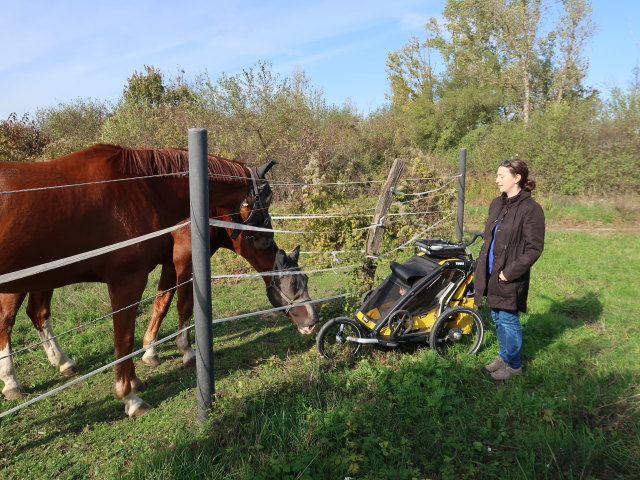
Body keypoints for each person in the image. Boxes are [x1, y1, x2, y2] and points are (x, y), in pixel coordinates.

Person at [474, 158, 545, 381]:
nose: (497, 180)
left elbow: (534, 248)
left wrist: (509, 272)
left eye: (501, 176)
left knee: (507, 319)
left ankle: (514, 367)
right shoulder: (497, 203)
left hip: (508, 274)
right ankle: (504, 357)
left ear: (517, 178)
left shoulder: (531, 209)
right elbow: (490, 238)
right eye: (497, 175)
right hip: (490, 270)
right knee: (496, 316)